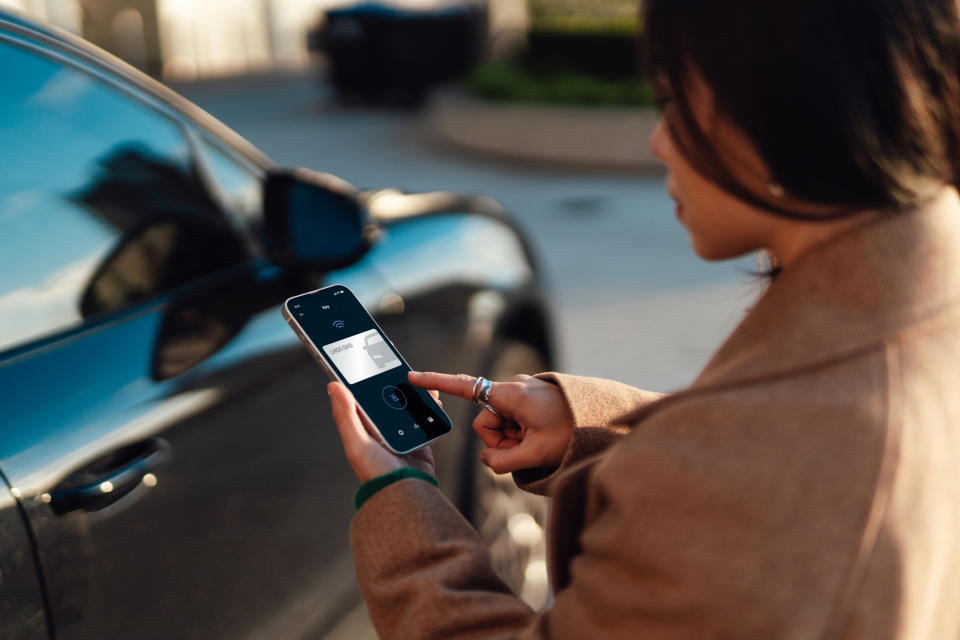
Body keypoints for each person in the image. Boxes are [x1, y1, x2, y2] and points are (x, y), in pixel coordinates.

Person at [327, 1, 960, 637]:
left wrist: (401, 496)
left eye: (676, 100)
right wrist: (591, 426)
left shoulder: (740, 468)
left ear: (783, 106)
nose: (659, 141)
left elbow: (754, 471)